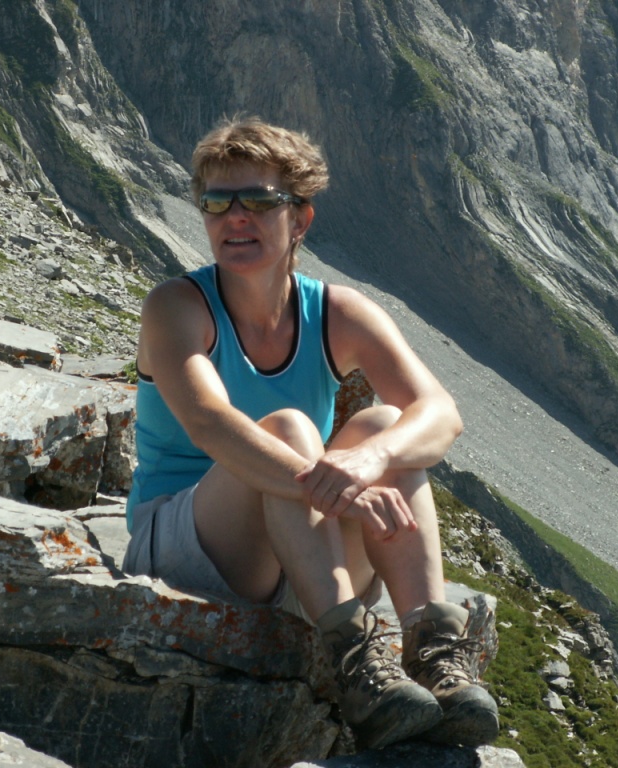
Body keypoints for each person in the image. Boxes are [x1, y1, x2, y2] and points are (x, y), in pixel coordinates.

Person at [122, 116, 499, 750]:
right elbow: (211, 422)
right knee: (293, 428)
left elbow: (440, 413)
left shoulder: (336, 312)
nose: (234, 217)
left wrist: (367, 461)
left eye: (258, 201)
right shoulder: (176, 308)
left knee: (386, 425)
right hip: (185, 545)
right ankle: (353, 659)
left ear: (300, 219)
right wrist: (340, 490)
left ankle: (433, 652)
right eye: (217, 202)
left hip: (301, 547)